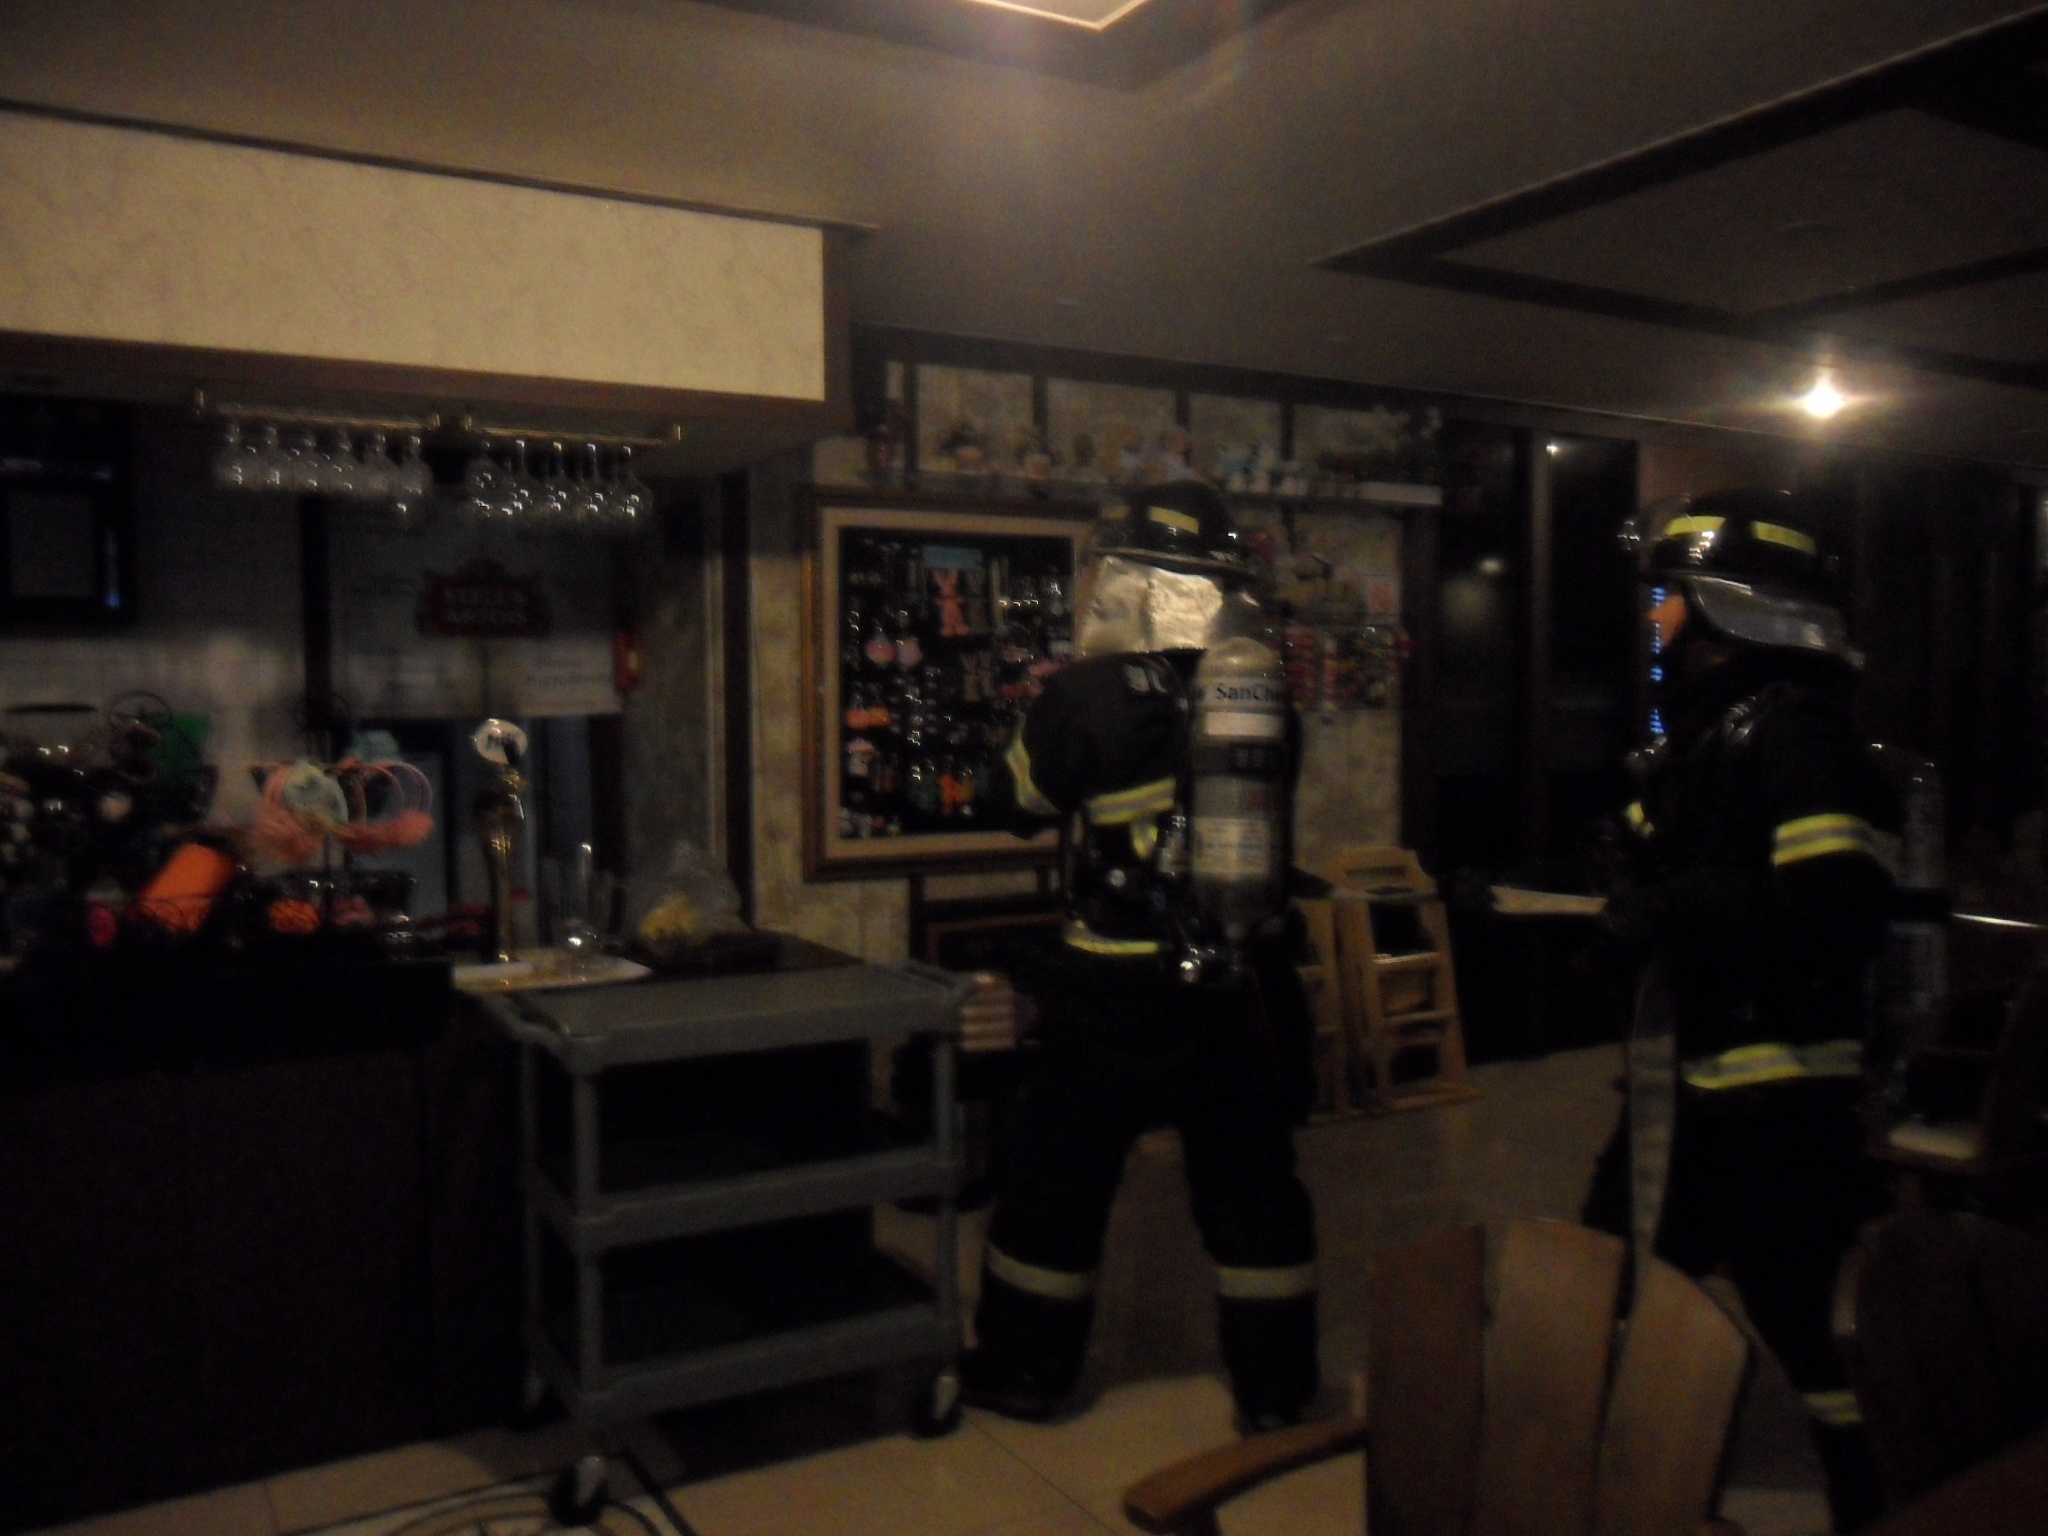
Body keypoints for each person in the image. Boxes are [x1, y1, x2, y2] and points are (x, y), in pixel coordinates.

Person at [960, 479, 1320, 1432]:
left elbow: (1013, 804)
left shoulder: (1085, 693)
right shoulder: (1263, 697)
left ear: (1128, 580)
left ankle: (1024, 1372)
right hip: (1240, 981)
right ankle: (1278, 1394)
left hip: (1112, 985)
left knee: (1056, 1181)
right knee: (1253, 1191)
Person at [1584, 488, 1897, 1532]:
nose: (1660, 621)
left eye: (1673, 600)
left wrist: (1673, 905)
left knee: (1790, 1306)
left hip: (1777, 1095)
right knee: (1610, 1269)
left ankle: (1874, 1485)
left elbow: (1830, 912)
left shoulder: (1799, 736)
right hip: (1690, 1086)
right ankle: (1619, 1468)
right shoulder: (1713, 736)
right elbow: (1672, 864)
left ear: (1737, 607)